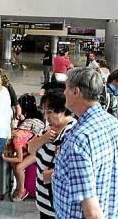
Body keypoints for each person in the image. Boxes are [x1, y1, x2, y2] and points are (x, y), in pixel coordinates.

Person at [52, 67, 118, 219]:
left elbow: (91, 211)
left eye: (66, 88)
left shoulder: (79, 139)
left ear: (76, 92)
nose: (63, 93)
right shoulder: (113, 123)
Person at [28, 89, 77, 219]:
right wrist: (44, 138)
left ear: (62, 110)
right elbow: (30, 149)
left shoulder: (71, 133)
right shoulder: (49, 128)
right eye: (44, 112)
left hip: (58, 205)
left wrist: (52, 174)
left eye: (49, 112)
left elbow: (75, 169)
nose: (45, 117)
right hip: (43, 201)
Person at [2, 117, 45, 202]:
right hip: (31, 147)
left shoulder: (16, 139)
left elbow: (19, 159)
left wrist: (5, 158)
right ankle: (18, 186)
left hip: (39, 149)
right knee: (13, 164)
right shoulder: (16, 134)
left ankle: (22, 190)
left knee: (19, 167)